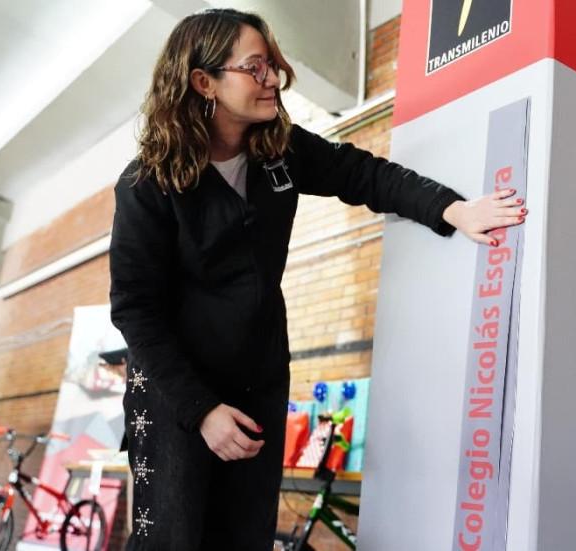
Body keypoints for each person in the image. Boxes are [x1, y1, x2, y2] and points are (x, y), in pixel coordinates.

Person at [108, 8, 527, 550]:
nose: (272, 81)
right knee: (176, 539)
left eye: (273, 66)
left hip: (256, 380)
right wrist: (201, 410)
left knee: (245, 536)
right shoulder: (148, 183)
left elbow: (365, 175)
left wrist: (451, 210)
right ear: (203, 81)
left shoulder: (278, 149)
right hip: (176, 397)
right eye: (255, 68)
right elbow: (135, 309)